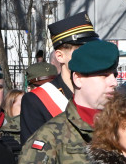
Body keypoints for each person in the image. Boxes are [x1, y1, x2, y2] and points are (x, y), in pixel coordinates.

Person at [20, 12, 99, 143]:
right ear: (59, 56)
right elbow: (32, 157)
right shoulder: (37, 101)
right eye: (80, 50)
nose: (88, 56)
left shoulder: (101, 94)